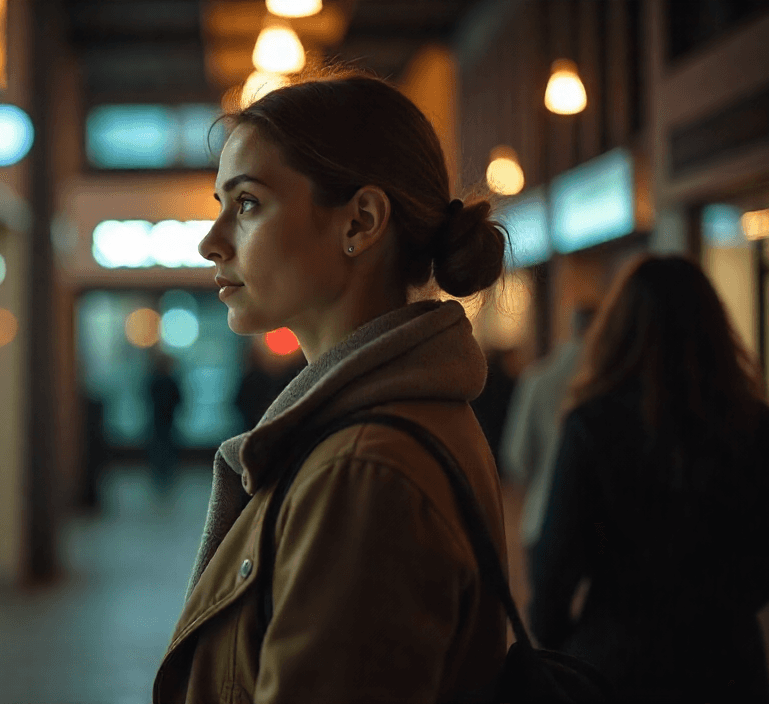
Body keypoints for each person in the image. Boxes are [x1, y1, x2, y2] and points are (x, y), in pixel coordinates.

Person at [154, 68, 510, 702]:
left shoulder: (361, 470)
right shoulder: (398, 419)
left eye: (247, 204)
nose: (211, 243)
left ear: (360, 221)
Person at [528, 256, 769, 703]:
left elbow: (554, 569)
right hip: (728, 666)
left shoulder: (592, 426)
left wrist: (569, 641)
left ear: (618, 332)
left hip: (618, 665)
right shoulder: (756, 425)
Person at [501, 306, 597, 550]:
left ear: (571, 328)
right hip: (601, 528)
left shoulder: (536, 380)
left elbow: (516, 457)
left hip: (541, 516)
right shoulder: (610, 381)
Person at [147, 350, 183, 493]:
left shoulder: (154, 380)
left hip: (158, 420)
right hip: (168, 420)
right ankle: (166, 471)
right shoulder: (170, 380)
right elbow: (179, 399)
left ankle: (160, 471)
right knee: (167, 445)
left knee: (159, 445)